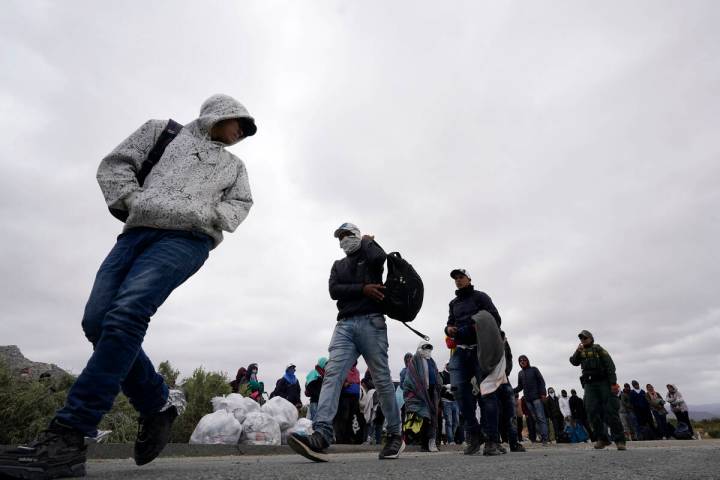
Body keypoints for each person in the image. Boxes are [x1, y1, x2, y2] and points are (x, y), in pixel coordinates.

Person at [0, 94, 256, 479]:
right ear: (219, 114)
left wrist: (205, 214)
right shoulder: (162, 132)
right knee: (97, 322)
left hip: (186, 240)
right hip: (134, 234)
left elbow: (240, 204)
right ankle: (157, 404)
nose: (241, 132)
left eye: (245, 129)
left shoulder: (234, 166)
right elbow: (116, 165)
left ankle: (69, 435)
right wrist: (134, 201)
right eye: (240, 122)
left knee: (127, 314)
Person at [288, 223, 403, 461]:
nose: (343, 240)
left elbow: (380, 257)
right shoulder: (338, 265)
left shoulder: (370, 256)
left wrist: (369, 242)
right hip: (345, 326)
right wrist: (363, 289)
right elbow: (334, 290)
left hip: (372, 322)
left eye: (347, 235)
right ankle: (321, 434)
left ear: (357, 236)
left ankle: (394, 435)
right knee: (332, 373)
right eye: (339, 237)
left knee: (381, 379)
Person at [444, 268, 501, 455]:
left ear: (469, 279)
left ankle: (492, 439)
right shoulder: (453, 303)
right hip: (460, 351)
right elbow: (450, 323)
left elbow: (495, 319)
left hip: (480, 350)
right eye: (455, 279)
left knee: (488, 394)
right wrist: (449, 329)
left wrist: (470, 328)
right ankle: (474, 436)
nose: (458, 280)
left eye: (461, 277)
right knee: (459, 393)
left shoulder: (481, 297)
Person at [569, 330, 626, 450]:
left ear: (590, 338)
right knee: (591, 410)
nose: (583, 340)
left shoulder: (598, 349)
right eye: (581, 339)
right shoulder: (581, 351)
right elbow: (574, 362)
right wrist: (577, 351)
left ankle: (620, 440)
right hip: (589, 385)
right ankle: (602, 439)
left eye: (585, 338)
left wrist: (613, 383)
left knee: (610, 411)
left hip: (604, 383)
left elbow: (610, 366)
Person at [514, 355, 549, 445]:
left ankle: (545, 438)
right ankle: (542, 437)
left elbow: (541, 381)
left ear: (527, 360)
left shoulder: (534, 369)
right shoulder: (520, 373)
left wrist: (543, 394)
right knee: (536, 419)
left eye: (524, 360)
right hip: (528, 400)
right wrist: (511, 390)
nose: (522, 361)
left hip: (537, 398)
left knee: (541, 418)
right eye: (520, 360)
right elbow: (520, 386)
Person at [439, 363, 459, 445]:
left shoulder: (455, 374)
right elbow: (440, 387)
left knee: (456, 421)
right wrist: (448, 387)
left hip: (455, 401)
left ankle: (450, 438)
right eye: (448, 364)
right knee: (449, 421)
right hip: (446, 401)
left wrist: (450, 388)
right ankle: (451, 440)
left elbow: (458, 387)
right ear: (446, 365)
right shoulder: (442, 374)